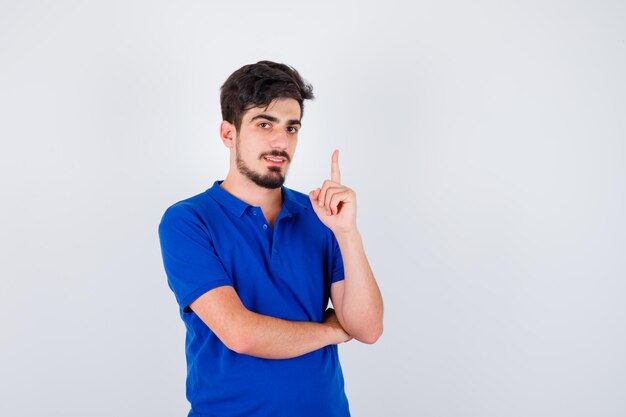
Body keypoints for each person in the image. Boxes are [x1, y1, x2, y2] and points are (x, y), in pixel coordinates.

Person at [158, 60, 383, 417]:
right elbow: (241, 334)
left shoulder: (320, 216)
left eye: (291, 128)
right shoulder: (188, 221)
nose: (281, 142)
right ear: (228, 134)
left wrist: (347, 233)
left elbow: (368, 328)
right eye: (265, 124)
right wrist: (333, 331)